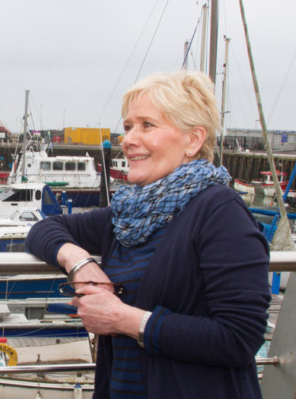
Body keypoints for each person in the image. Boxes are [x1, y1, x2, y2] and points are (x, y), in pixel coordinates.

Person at [26, 70, 271, 398]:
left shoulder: (219, 211)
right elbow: (45, 228)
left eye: (147, 125)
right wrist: (79, 262)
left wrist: (123, 319)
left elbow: (239, 338)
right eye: (128, 126)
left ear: (193, 139)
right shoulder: (128, 213)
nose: (127, 139)